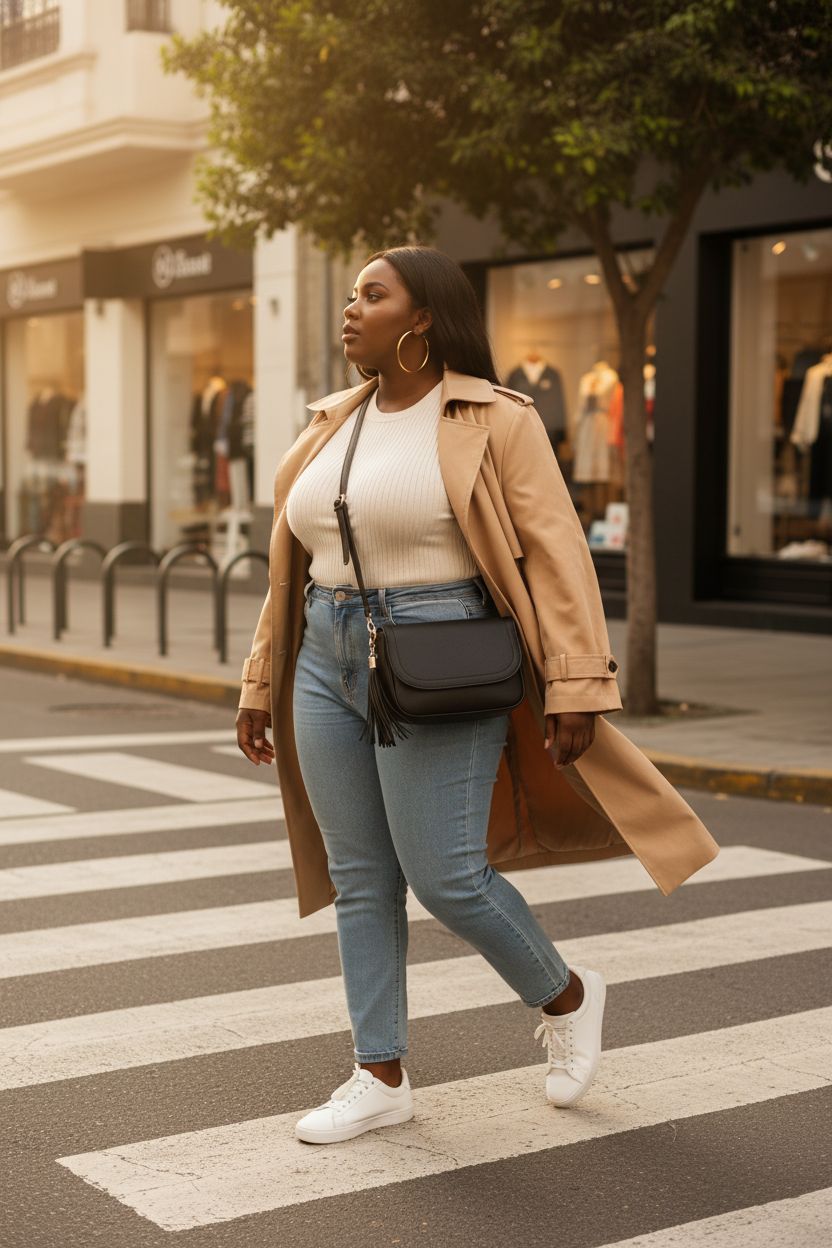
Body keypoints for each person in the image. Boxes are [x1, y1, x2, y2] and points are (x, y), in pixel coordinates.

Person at [235, 245, 718, 1146]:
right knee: (360, 878)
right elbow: (292, 565)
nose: (350, 310)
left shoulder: (494, 418)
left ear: (421, 318)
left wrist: (578, 682)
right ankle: (379, 1073)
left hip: (442, 649)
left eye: (372, 296)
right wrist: (261, 680)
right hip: (324, 651)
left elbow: (558, 553)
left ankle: (566, 997)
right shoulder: (332, 422)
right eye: (350, 295)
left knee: (446, 875)